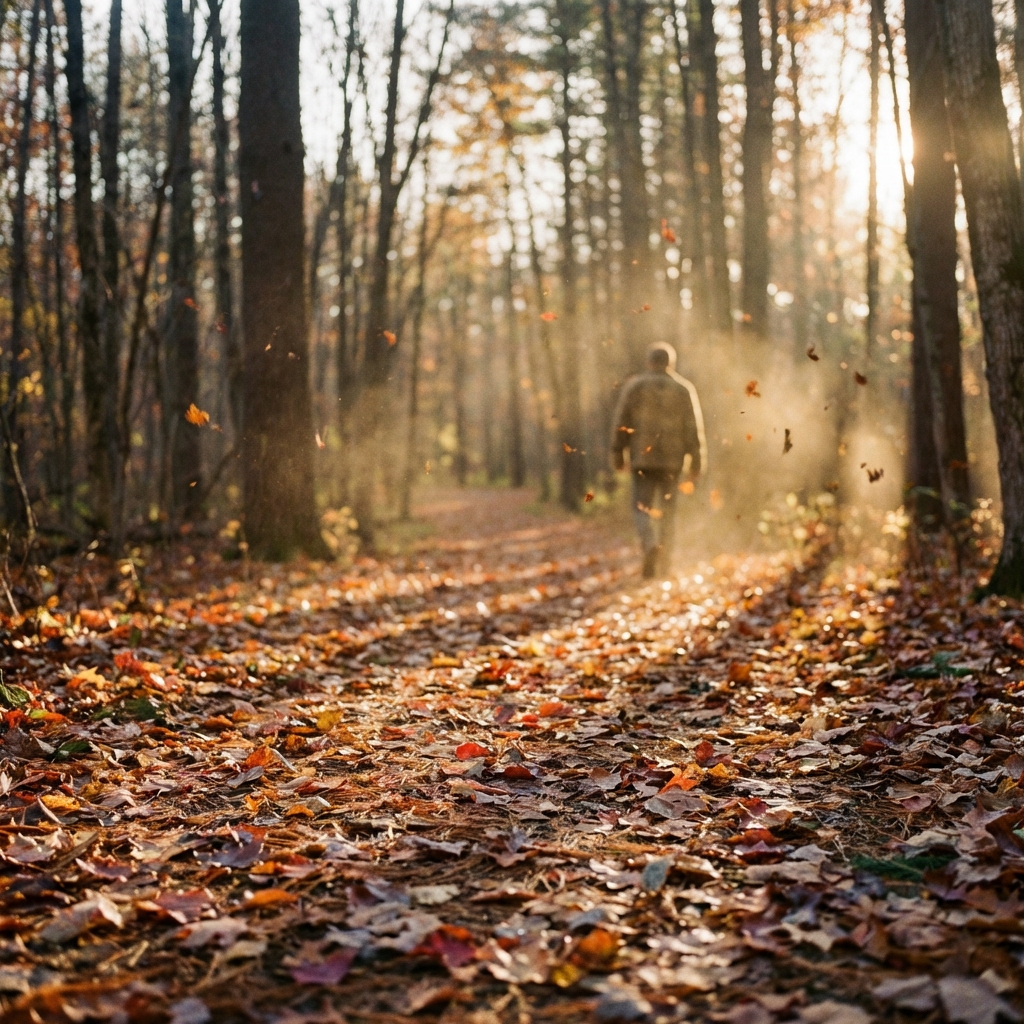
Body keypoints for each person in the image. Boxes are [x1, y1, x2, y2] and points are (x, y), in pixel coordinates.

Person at [611, 342, 707, 579]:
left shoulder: (635, 387)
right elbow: (693, 428)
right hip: (672, 464)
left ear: (649, 362)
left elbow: (622, 423)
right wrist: (696, 461)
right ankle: (665, 565)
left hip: (642, 461)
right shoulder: (683, 389)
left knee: (640, 508)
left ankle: (649, 544)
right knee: (668, 512)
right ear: (670, 363)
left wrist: (618, 455)